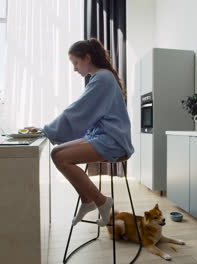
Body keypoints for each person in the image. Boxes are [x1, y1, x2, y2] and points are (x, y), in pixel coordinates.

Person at [42, 38, 134, 227]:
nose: (75, 68)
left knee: (61, 158)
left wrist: (47, 129)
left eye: (76, 62)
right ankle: (87, 200)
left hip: (113, 140)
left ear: (87, 58)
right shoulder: (101, 77)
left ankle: (101, 201)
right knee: (56, 153)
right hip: (102, 136)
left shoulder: (102, 78)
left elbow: (79, 109)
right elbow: (84, 112)